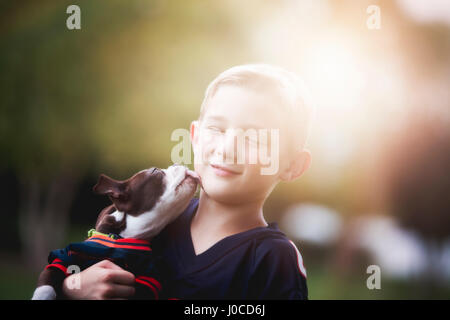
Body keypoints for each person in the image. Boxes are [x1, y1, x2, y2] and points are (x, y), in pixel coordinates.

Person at [61, 64, 314, 299]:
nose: (227, 150)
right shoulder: (150, 220)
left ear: (293, 165)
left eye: (254, 139)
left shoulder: (273, 260)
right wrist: (71, 290)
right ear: (194, 136)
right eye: (216, 129)